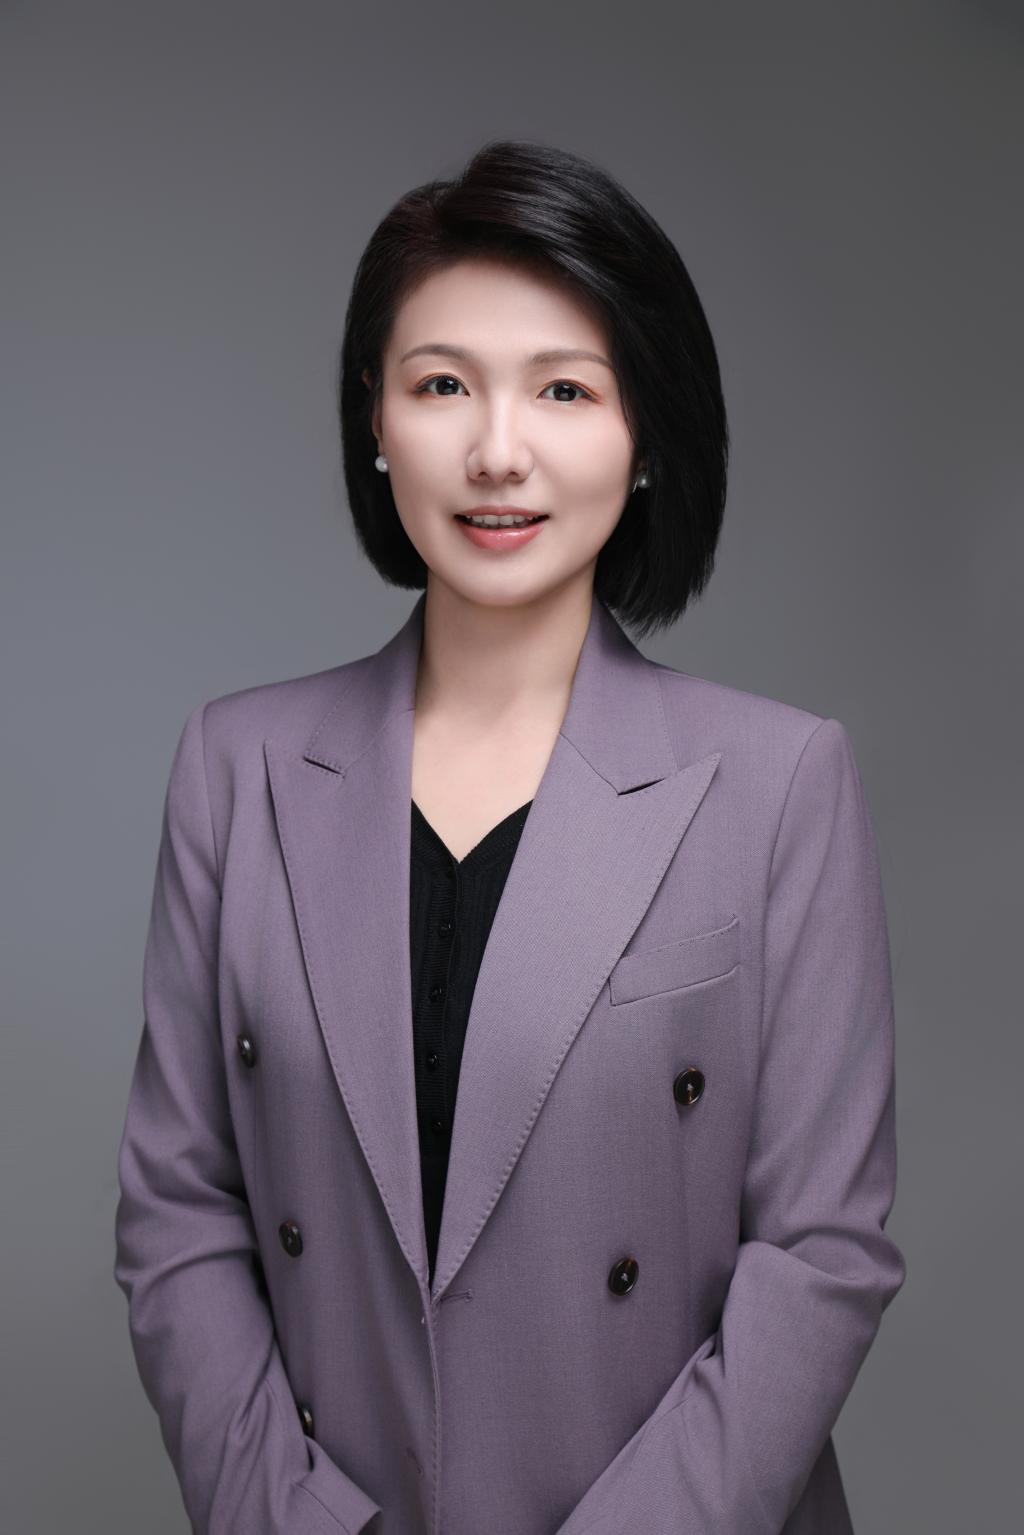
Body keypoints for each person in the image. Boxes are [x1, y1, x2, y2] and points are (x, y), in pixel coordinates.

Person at [114, 138, 906, 1534]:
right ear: (375, 420)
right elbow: (180, 1210)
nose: (497, 450)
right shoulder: (236, 769)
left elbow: (823, 1252)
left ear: (644, 433)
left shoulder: (780, 782)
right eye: (442, 385)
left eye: (564, 389)